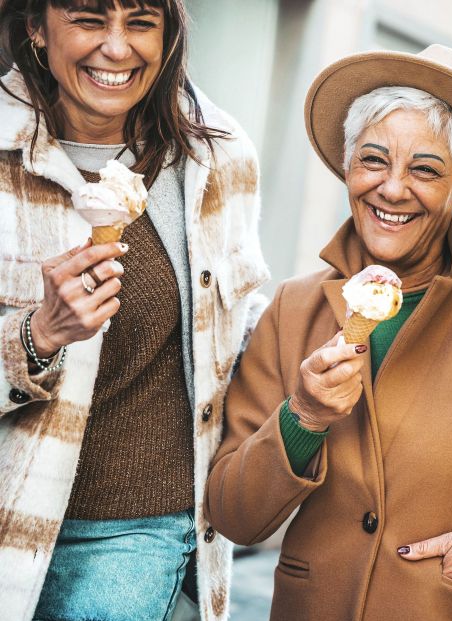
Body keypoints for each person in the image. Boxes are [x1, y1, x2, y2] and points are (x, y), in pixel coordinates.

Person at [204, 44, 452, 620]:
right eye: (374, 160)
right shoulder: (293, 306)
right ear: (348, 166)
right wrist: (303, 417)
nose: (392, 188)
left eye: (426, 170)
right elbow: (233, 513)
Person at [0, 1, 268, 619]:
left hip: (141, 528)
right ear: (37, 27)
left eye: (141, 21)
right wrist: (37, 336)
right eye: (89, 19)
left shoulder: (216, 156)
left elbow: (240, 333)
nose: (117, 49)